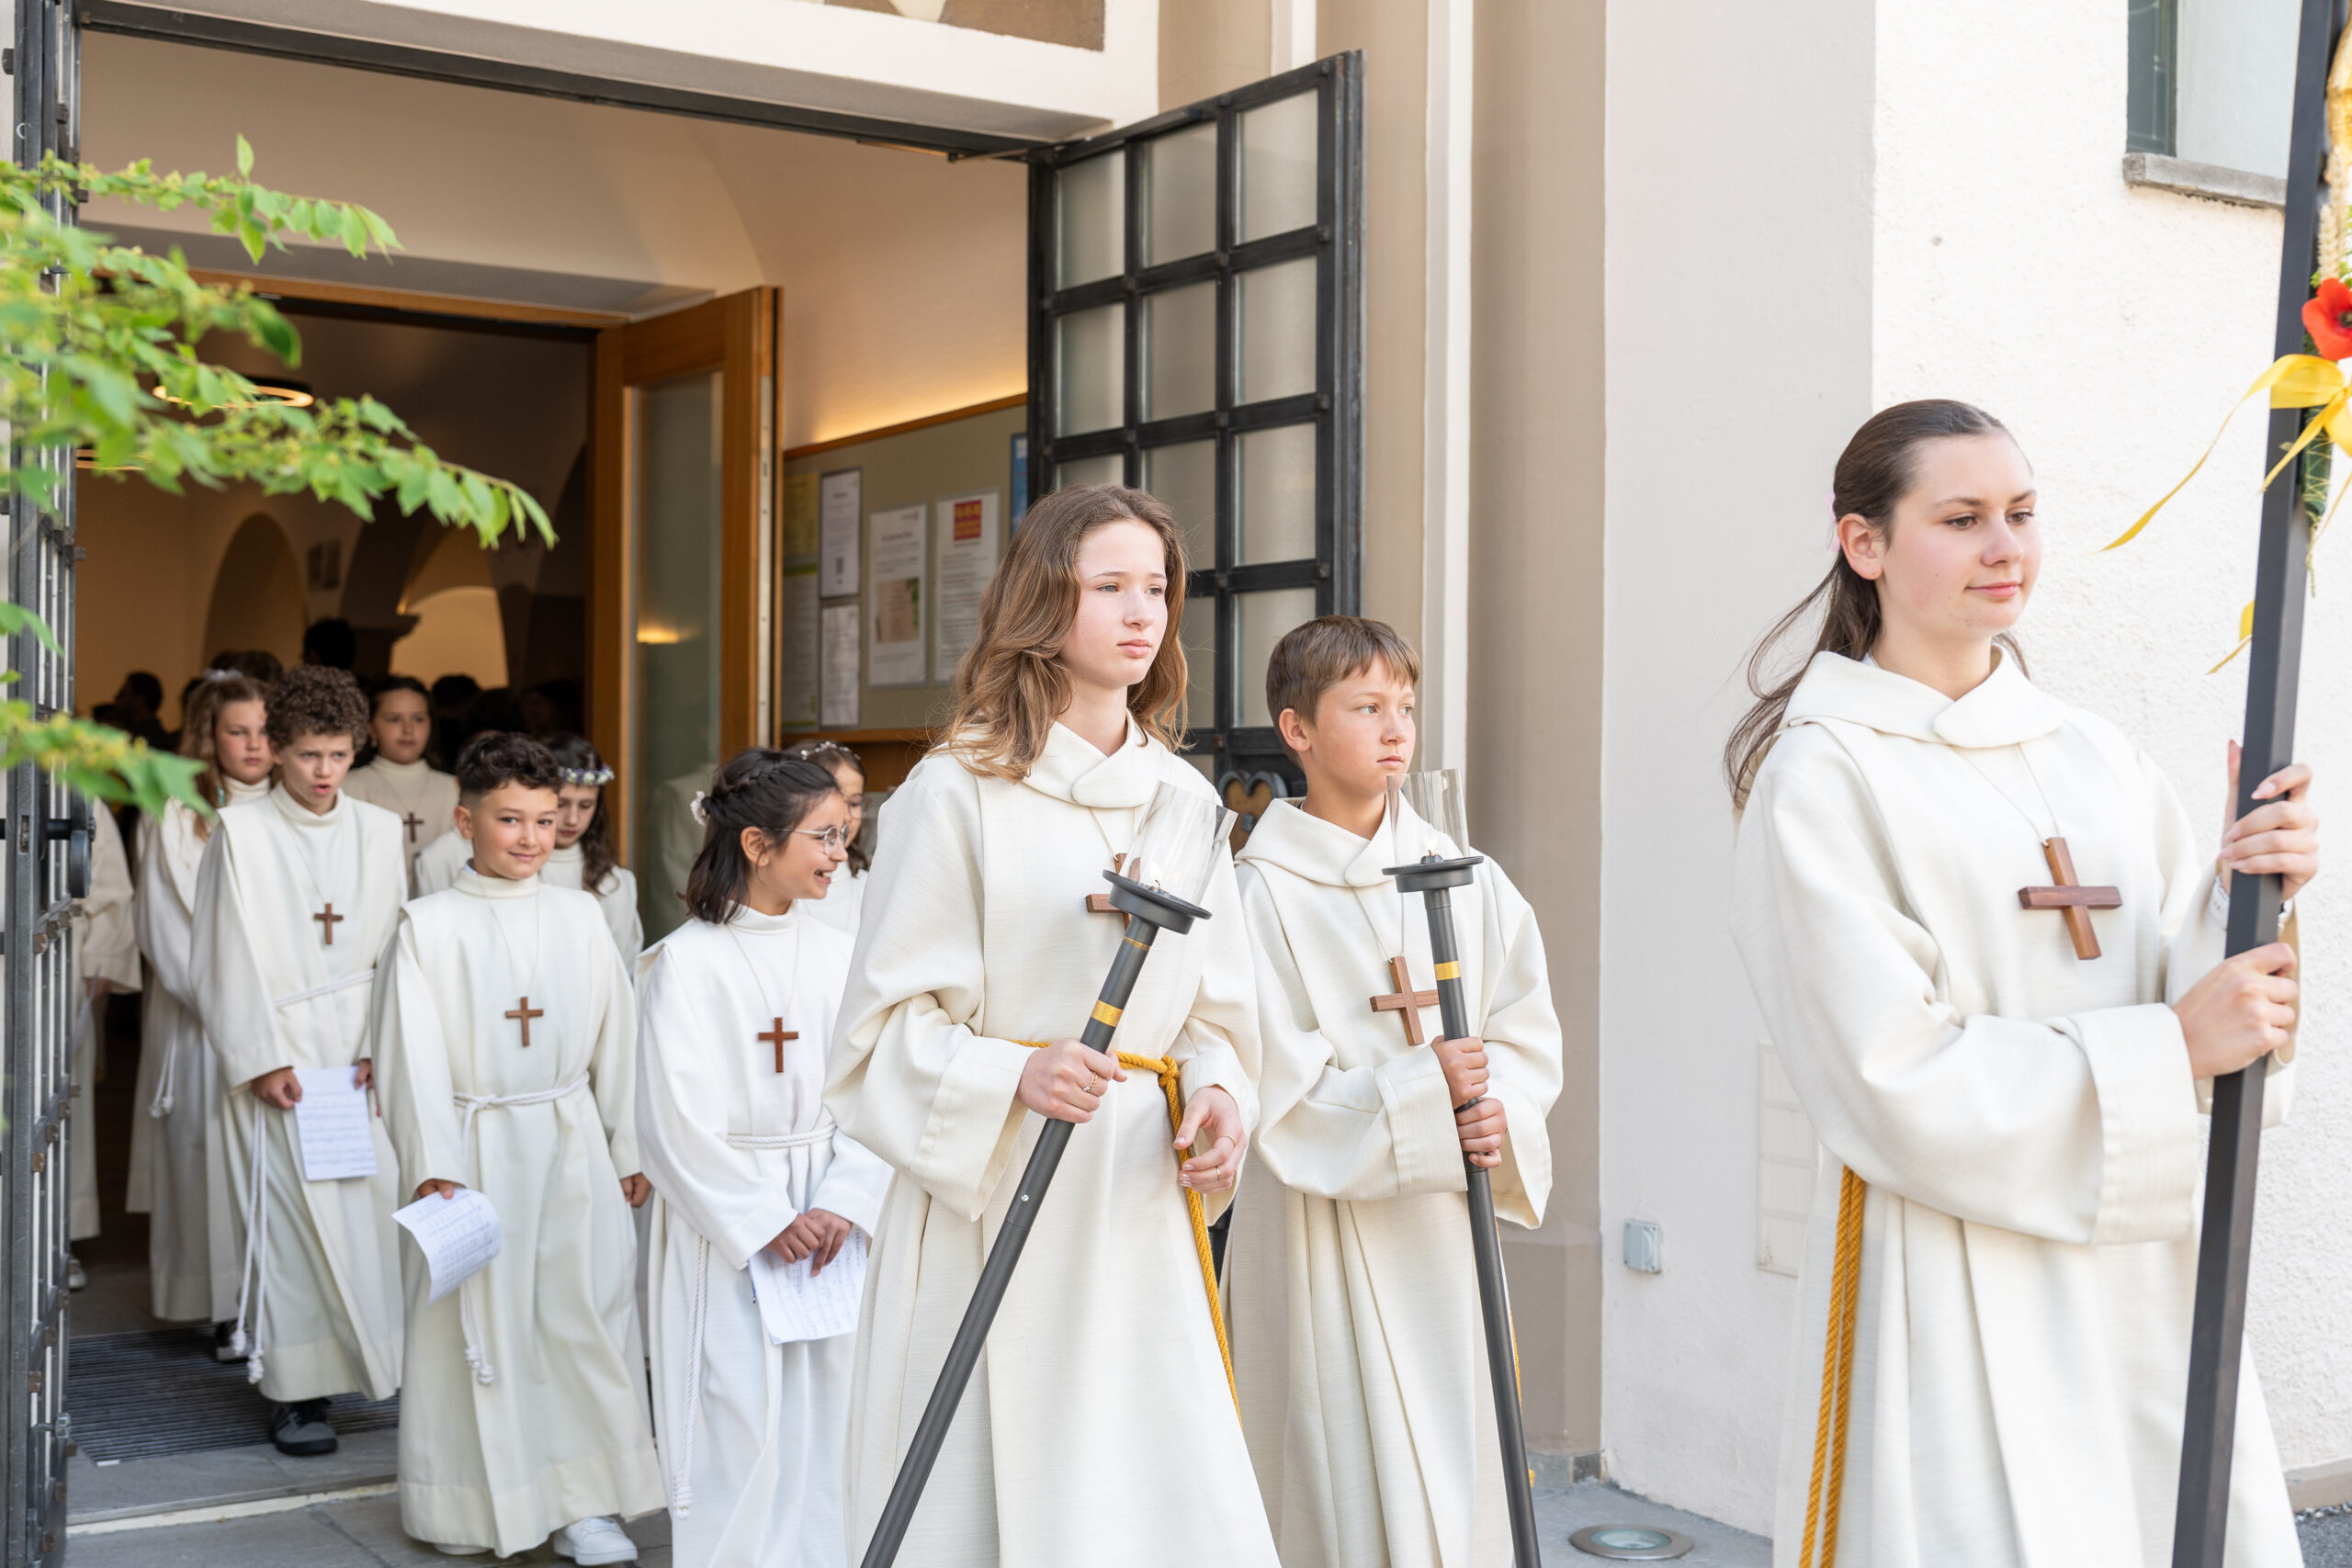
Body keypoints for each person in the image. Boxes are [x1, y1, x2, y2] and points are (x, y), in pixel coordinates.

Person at [1725, 400, 2316, 1567]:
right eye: (1961, 519)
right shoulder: (1823, 778)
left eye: (2023, 513)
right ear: (1863, 544)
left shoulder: (2095, 756)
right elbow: (1884, 1076)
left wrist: (2248, 896)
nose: (2006, 547)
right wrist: (2170, 1051)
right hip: (1952, 1269)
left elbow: (2193, 998)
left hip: (2142, 1276)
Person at [827, 483, 1273, 1566]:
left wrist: (1219, 1095)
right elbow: (880, 1032)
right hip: (993, 1188)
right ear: (1041, 600)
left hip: (1135, 1195)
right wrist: (1009, 1078)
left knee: (1148, 1492)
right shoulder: (957, 792)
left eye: (1156, 588)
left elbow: (1214, 1011)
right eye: (1108, 585)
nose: (1141, 612)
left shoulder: (1184, 803)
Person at [1222, 616, 1563, 1568]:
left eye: (1404, 707)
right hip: (1321, 1229)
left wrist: (1501, 1110)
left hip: (1445, 1225)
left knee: (1460, 1469)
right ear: (1296, 729)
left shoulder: (1467, 878)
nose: (1395, 729)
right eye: (1366, 707)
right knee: (1338, 1474)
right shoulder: (1262, 893)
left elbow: (1524, 1031)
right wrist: (1422, 1086)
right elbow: (1274, 1087)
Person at [372, 732, 658, 1563]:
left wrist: (628, 1144)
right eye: (510, 819)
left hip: (570, 1139)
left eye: (544, 818)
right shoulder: (427, 926)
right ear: (465, 821)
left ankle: (585, 1503)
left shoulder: (580, 913)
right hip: (475, 1146)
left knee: (581, 1315)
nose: (533, 836)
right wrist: (435, 1165)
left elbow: (618, 1037)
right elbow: (410, 1052)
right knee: (480, 1328)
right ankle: (472, 1502)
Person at [637, 751, 892, 1568]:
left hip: (830, 1225)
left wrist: (845, 1198)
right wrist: (765, 1218)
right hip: (734, 1229)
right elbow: (672, 1121)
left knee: (834, 1418)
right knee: (738, 1421)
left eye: (844, 835)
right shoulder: (685, 962)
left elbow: (876, 1085)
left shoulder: (842, 953)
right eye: (824, 836)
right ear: (756, 843)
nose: (840, 854)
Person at [193, 664, 407, 1457]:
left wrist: (384, 1044)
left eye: (339, 754)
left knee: (368, 1216)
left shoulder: (379, 830)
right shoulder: (240, 832)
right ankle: (295, 1392)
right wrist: (259, 1056)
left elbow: (397, 946)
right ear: (278, 748)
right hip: (280, 1056)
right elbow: (220, 951)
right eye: (309, 754)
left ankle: (377, 1363)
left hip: (357, 1058)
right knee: (287, 1227)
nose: (324, 772)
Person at [130, 670, 274, 1345]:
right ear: (209, 736)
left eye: (266, 731)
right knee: (205, 1156)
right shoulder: (177, 810)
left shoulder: (296, 808)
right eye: (237, 732)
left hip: (283, 1018)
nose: (255, 745)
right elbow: (164, 924)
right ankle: (221, 1305)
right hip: (202, 1018)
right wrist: (234, 1007)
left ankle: (273, 1304)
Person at [418, 735, 642, 967]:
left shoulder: (600, 896)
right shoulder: (489, 866)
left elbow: (620, 966)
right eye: (561, 805)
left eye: (586, 805)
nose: (573, 819)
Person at [66, 799, 141, 1290]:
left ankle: (56, 1240)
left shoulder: (71, 782)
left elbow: (111, 887)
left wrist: (99, 964)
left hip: (58, 961)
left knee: (59, 1101)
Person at [343, 676, 459, 896]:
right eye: (394, 719)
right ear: (371, 728)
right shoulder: (346, 787)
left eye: (418, 719)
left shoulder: (454, 789)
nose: (408, 729)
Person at [782, 740, 870, 933]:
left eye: (854, 803)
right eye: (833, 802)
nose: (845, 817)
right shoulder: (780, 889)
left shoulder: (873, 889)